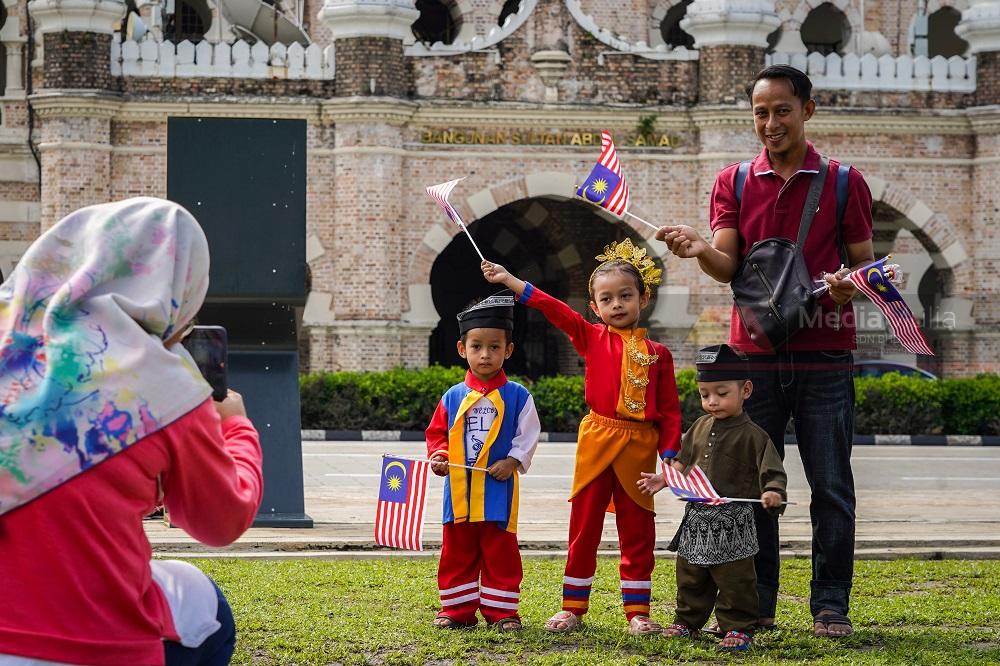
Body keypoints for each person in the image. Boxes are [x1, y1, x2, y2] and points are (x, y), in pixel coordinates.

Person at [656, 64, 874, 638]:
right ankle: (760, 602)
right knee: (751, 486)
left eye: (782, 110)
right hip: (753, 358)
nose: (770, 123)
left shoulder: (845, 183)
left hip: (824, 352)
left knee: (831, 485)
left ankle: (831, 604)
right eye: (760, 112)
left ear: (808, 110)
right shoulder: (733, 182)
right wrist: (701, 249)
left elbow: (864, 262)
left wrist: (854, 281)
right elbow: (727, 264)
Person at [0, 197, 263, 665]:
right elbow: (221, 522)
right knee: (208, 607)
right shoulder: (167, 389)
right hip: (102, 644)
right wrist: (236, 428)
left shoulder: (9, 349)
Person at [481, 238, 682, 636]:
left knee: (638, 531)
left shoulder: (660, 353)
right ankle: (572, 607)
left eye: (626, 295)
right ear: (595, 307)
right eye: (607, 299)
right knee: (583, 528)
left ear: (644, 297)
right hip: (597, 439)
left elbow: (671, 411)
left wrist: (670, 457)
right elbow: (553, 309)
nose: (617, 305)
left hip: (639, 446)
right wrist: (511, 282)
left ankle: (638, 612)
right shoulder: (589, 336)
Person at [638, 344, 787, 652]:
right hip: (697, 517)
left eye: (721, 393)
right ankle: (687, 621)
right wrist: (664, 478)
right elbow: (682, 461)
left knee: (735, 579)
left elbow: (772, 472)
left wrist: (773, 492)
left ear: (745, 390)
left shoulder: (755, 436)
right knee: (691, 574)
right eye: (705, 395)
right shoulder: (700, 426)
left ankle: (739, 626)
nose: (712, 402)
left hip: (734, 522)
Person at [425, 290, 541, 631]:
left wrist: (513, 461)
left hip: (498, 492)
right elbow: (437, 434)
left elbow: (528, 435)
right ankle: (456, 611)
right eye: (476, 347)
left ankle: (503, 612)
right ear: (463, 350)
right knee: (457, 551)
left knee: (499, 551)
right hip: (459, 491)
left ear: (508, 350)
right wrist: (439, 456)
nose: (485, 355)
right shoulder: (453, 396)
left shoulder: (518, 395)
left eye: (494, 347)